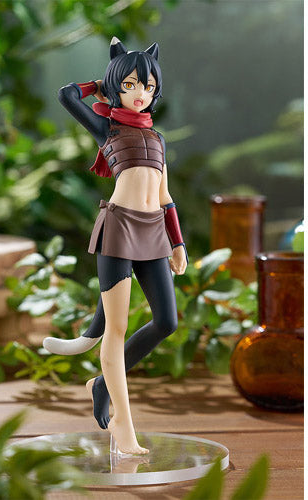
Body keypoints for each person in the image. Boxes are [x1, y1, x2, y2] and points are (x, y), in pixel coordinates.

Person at [44, 37, 188, 455]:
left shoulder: (157, 138)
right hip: (120, 229)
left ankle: (102, 384)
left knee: (166, 322)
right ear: (116, 87)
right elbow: (67, 95)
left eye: (148, 86)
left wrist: (177, 243)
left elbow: (165, 196)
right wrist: (103, 84)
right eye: (129, 85)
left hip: (154, 232)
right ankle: (124, 429)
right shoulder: (106, 126)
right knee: (116, 327)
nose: (140, 93)